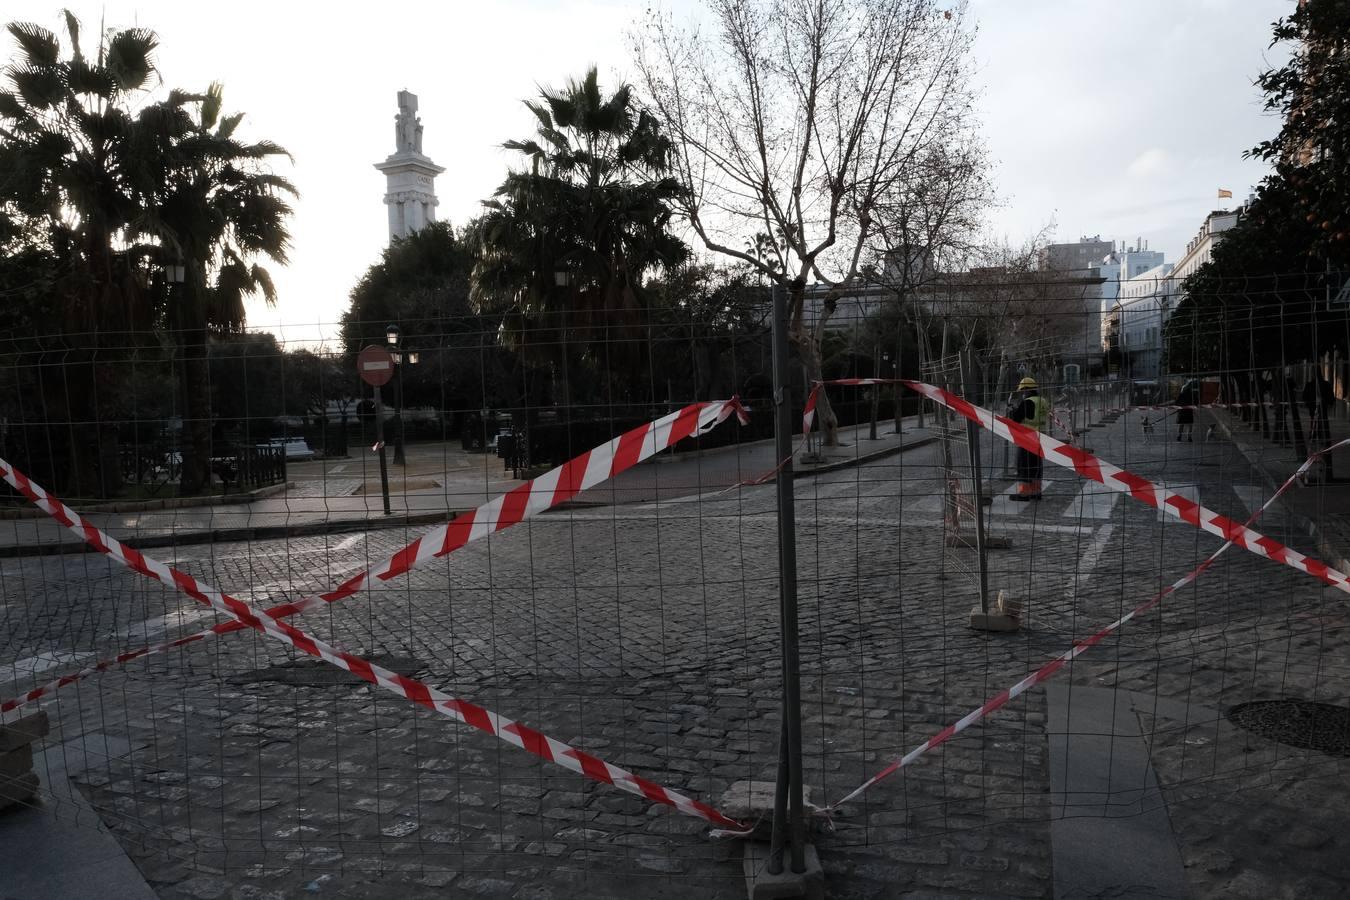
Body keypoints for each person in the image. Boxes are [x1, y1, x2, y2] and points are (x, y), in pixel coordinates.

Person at [1007, 375, 1050, 500]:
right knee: (1036, 466)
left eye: (1023, 391)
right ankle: (1036, 493)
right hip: (1040, 438)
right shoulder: (1042, 401)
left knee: (1023, 466)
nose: (1022, 394)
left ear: (1027, 390)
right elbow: (1033, 416)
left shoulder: (1028, 402)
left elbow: (1016, 419)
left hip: (1027, 438)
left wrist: (1012, 411)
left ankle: (1024, 493)